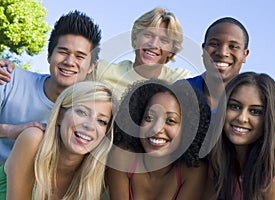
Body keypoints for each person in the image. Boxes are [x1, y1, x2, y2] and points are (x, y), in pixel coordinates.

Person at [0, 10, 102, 164]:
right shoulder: (9, 79)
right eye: (63, 52)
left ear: (91, 67)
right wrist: (10, 131)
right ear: (49, 55)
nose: (69, 61)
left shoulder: (89, 114)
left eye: (79, 57)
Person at [0, 81, 116, 199]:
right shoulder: (33, 140)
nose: (90, 126)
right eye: (82, 112)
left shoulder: (98, 173)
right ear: (60, 114)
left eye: (101, 121)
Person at [106, 79, 211, 199]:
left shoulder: (193, 172)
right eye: (149, 118)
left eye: (170, 121)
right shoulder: (122, 156)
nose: (156, 129)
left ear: (188, 129)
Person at [207, 72, 275, 199]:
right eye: (234, 106)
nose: (242, 118)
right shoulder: (218, 156)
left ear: (270, 119)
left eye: (255, 111)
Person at [88, 7, 191, 100]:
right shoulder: (102, 72)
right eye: (148, 35)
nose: (154, 44)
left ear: (171, 51)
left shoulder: (178, 80)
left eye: (164, 40)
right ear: (135, 38)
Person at [187, 17, 250, 109]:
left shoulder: (255, 100)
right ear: (203, 49)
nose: (222, 53)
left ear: (244, 55)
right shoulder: (179, 91)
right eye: (214, 44)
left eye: (233, 46)